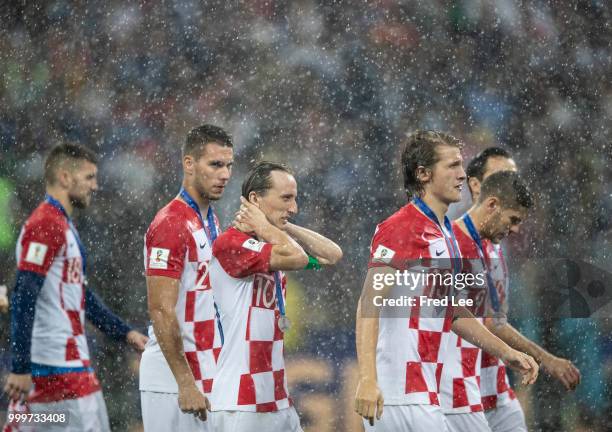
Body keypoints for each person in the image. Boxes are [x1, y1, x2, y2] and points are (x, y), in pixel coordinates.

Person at [354, 131, 539, 432]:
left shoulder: (444, 233)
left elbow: (449, 311)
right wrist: (367, 378)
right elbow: (369, 301)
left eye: (461, 165)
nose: (462, 175)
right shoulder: (403, 227)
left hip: (425, 393)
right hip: (398, 393)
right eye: (452, 166)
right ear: (423, 173)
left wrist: (506, 352)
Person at [2, 143, 148, 432]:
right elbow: (24, 294)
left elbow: (81, 296)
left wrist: (124, 332)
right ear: (66, 178)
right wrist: (20, 367)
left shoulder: (60, 225)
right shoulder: (45, 224)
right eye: (89, 177)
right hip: (54, 369)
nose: (96, 186)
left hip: (66, 367)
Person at [208, 161, 342, 431]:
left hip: (277, 399)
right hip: (241, 402)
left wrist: (283, 225)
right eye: (286, 199)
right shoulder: (230, 244)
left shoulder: (275, 245)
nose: (294, 208)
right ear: (255, 199)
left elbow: (332, 254)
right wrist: (269, 226)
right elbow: (296, 256)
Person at [465, 148, 581, 432]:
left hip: (496, 389)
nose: (511, 186)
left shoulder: (497, 248)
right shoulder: (453, 244)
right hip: (461, 394)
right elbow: (486, 322)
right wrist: (544, 359)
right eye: (501, 177)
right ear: (477, 186)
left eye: (514, 178)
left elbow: (496, 319)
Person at [140, 125, 234, 431]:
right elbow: (161, 309)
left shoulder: (208, 219)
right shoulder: (171, 223)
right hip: (174, 380)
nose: (225, 175)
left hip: (205, 369)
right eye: (216, 165)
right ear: (189, 163)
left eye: (229, 166)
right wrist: (184, 382)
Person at [441, 170, 534, 431]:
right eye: (513, 219)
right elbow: (450, 316)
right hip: (454, 388)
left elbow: (490, 318)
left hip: (486, 383)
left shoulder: (489, 249)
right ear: (492, 204)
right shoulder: (451, 245)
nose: (515, 229)